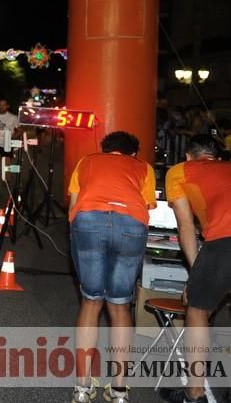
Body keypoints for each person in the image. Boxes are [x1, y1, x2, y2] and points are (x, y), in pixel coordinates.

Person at [68, 131, 156, 403]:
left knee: (91, 301)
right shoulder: (143, 167)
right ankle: (118, 391)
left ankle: (82, 388)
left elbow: (72, 204)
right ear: (133, 153)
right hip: (130, 222)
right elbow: (148, 206)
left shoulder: (87, 161)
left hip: (88, 219)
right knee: (119, 305)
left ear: (105, 150)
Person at [162, 135, 231, 403]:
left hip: (226, 239)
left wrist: (197, 272)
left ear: (188, 155)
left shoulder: (179, 171)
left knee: (197, 310)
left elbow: (186, 226)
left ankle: (194, 394)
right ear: (218, 156)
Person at [0, 98, 21, 198]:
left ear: (7, 106)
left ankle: (8, 186)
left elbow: (20, 130)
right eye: (0, 105)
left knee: (7, 167)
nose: (2, 106)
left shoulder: (13, 117)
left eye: (4, 105)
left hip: (7, 144)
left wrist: (12, 138)